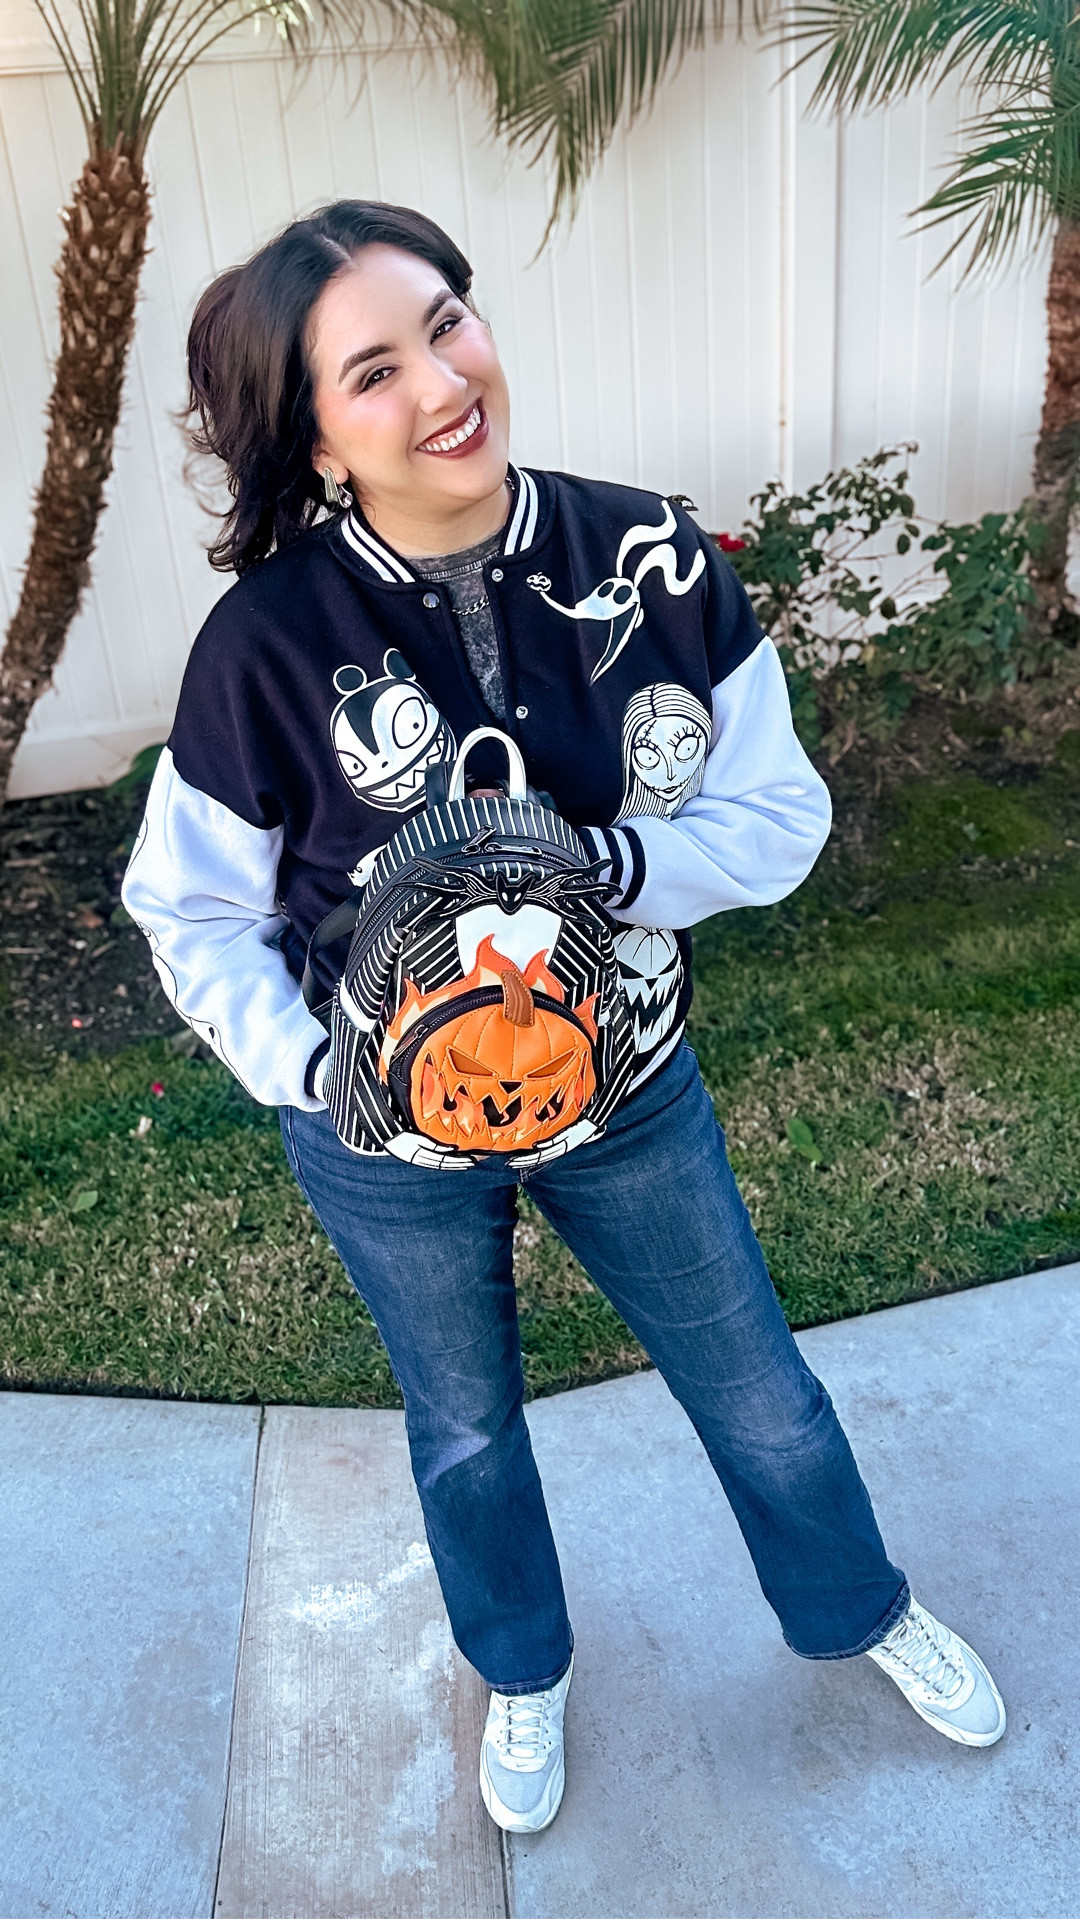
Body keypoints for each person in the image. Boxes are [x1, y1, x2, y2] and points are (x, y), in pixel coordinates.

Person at [123, 200, 1006, 1835]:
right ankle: (522, 1667)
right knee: (464, 1426)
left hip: (632, 1089)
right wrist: (317, 1072)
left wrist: (610, 865)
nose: (441, 383)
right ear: (315, 441)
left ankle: (858, 1608)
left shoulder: (651, 556)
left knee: (755, 1385)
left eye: (446, 324)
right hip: (389, 1139)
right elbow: (189, 908)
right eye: (373, 372)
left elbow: (779, 817)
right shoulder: (266, 647)